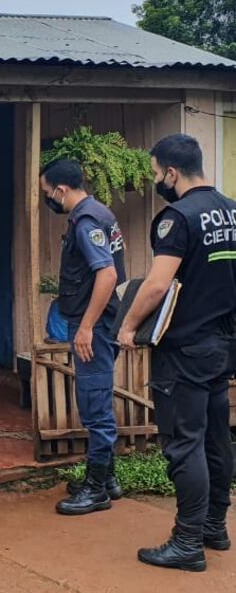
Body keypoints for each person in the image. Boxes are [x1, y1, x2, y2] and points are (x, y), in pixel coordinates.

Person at [117, 133, 236, 572]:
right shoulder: (232, 210)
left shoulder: (178, 218)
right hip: (222, 346)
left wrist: (129, 326)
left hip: (184, 348)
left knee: (185, 444)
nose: (156, 181)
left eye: (155, 173)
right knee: (216, 438)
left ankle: (187, 542)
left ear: (170, 172)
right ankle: (214, 528)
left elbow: (157, 285)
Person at [40, 159, 127, 515]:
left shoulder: (87, 220)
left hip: (96, 325)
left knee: (94, 404)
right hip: (102, 322)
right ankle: (108, 480)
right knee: (97, 397)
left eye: (47, 192)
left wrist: (87, 327)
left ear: (61, 190)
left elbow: (107, 274)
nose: (48, 198)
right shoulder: (99, 212)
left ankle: (96, 490)